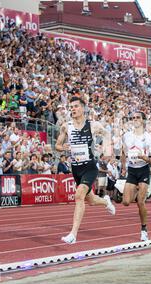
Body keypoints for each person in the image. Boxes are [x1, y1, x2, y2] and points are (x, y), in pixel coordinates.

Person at [56, 96, 115, 245]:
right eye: (71, 107)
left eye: (76, 106)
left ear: (83, 108)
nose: (73, 109)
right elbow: (57, 145)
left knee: (78, 196)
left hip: (89, 166)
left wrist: (107, 150)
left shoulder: (93, 125)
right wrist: (63, 148)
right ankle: (106, 202)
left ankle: (73, 234)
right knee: (91, 200)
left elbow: (107, 134)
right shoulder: (66, 126)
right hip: (76, 168)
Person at [121, 111, 151, 241]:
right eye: (133, 118)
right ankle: (137, 190)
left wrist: (144, 157)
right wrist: (123, 167)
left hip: (143, 170)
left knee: (140, 202)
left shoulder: (149, 138)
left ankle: (144, 229)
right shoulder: (126, 136)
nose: (135, 119)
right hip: (131, 170)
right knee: (125, 202)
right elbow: (123, 152)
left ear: (143, 120)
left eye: (137, 117)